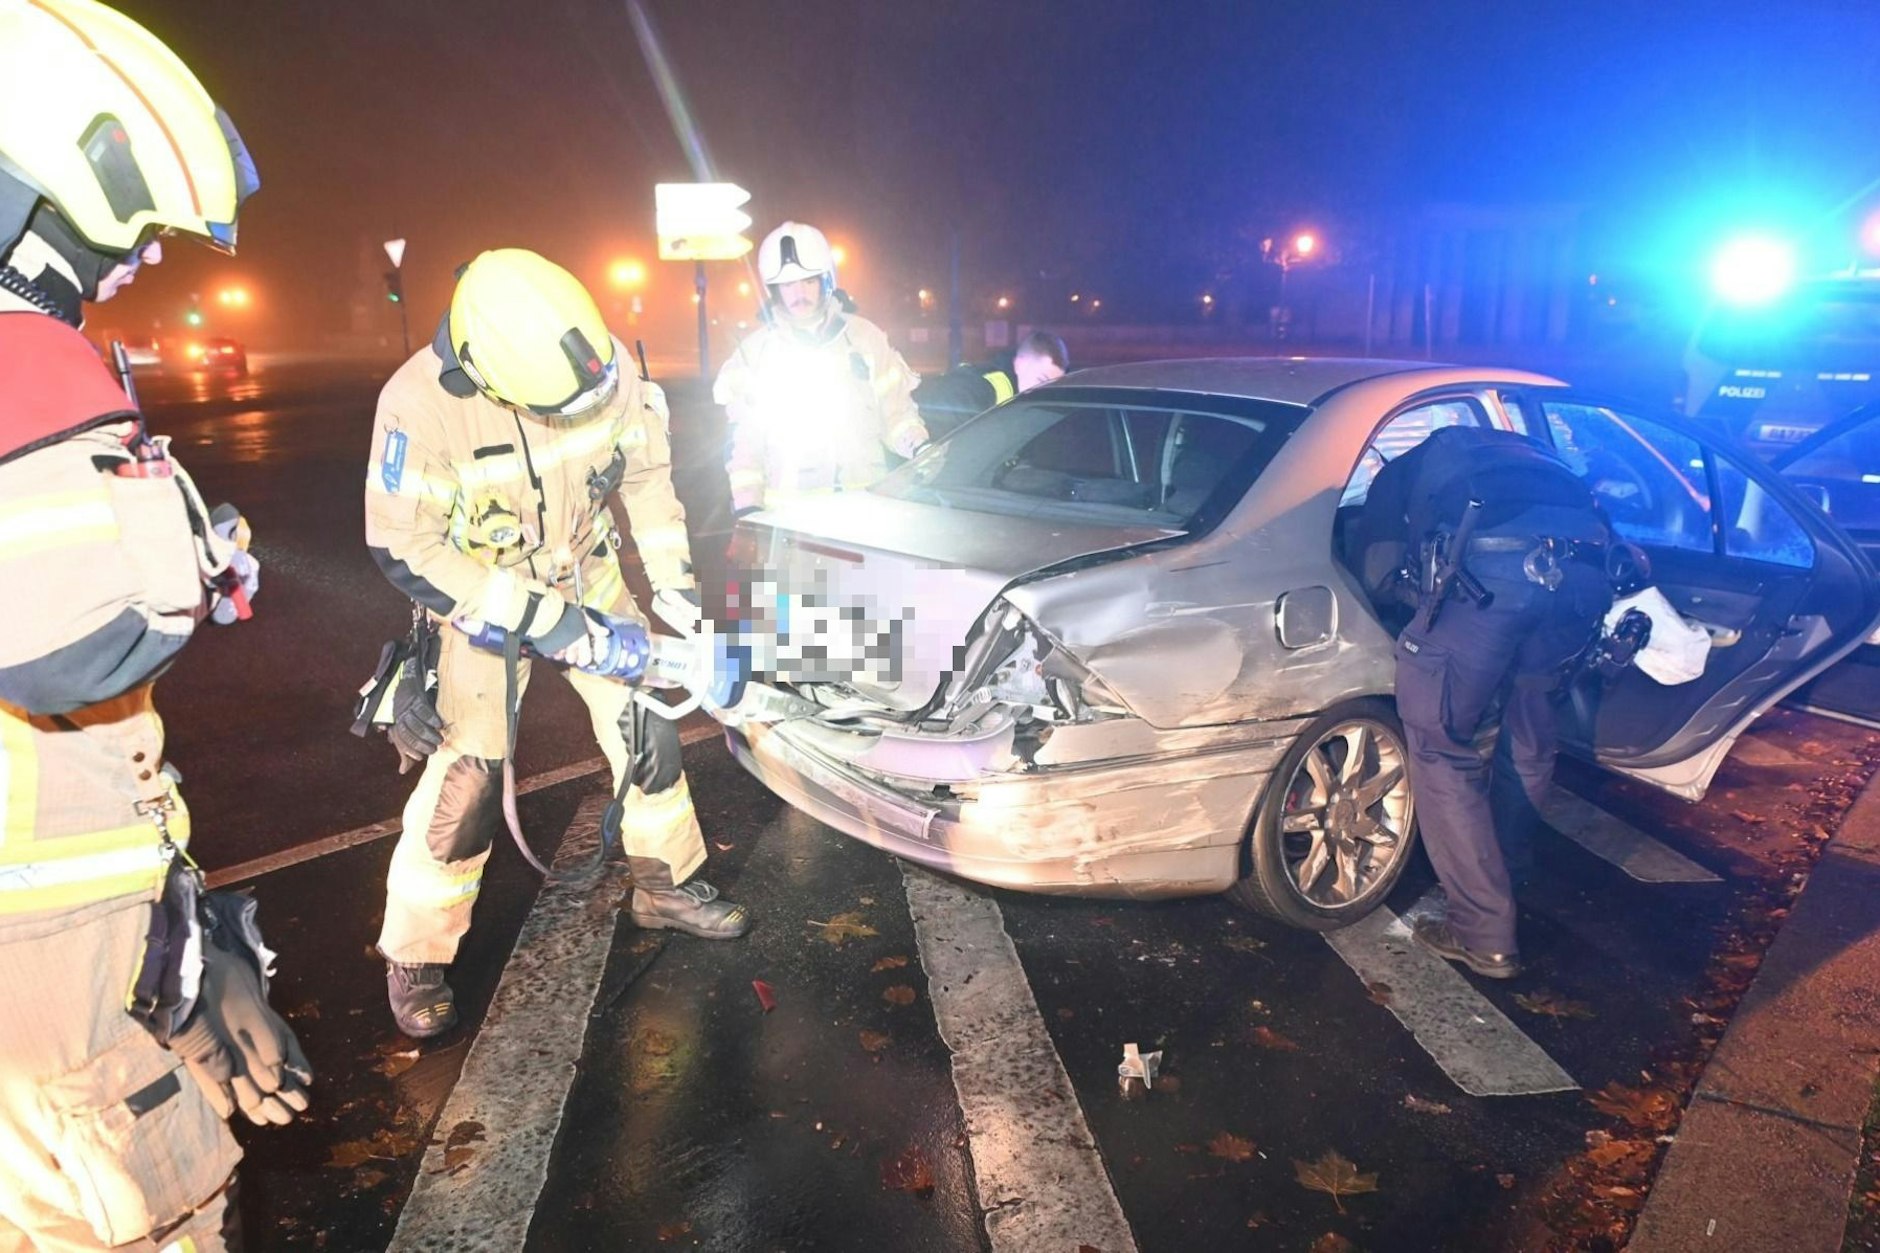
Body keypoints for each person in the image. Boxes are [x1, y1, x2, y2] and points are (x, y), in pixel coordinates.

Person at [0, 2, 309, 1248]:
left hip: (86, 997)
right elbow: (81, 644)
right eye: (111, 237)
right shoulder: (29, 382)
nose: (139, 267)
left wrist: (186, 942)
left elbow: (76, 746)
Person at [365, 248, 748, 1039]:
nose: (589, 403)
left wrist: (674, 588)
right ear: (491, 377)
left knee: (650, 732)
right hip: (483, 599)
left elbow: (645, 479)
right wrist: (548, 623)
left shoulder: (601, 364)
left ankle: (664, 883)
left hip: (588, 574)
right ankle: (416, 952)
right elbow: (408, 547)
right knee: (467, 784)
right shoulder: (417, 407)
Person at [1351, 424, 1613, 979]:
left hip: (1488, 584)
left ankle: (1483, 932)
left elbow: (1377, 576)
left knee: (1441, 747)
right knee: (1530, 731)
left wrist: (1418, 619)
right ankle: (1509, 870)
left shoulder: (1401, 472)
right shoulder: (1534, 459)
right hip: (1582, 583)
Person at [716, 221, 926, 513]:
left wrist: (920, 448)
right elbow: (745, 446)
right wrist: (748, 508)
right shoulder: (754, 354)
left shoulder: (865, 338)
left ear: (827, 280)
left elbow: (897, 414)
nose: (798, 293)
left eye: (808, 281)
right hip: (791, 522)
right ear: (773, 290)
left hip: (867, 511)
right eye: (788, 284)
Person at [911, 329, 1069, 442]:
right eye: (1042, 380)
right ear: (1019, 364)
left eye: (1053, 385)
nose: (1046, 391)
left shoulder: (1024, 399)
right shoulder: (980, 388)